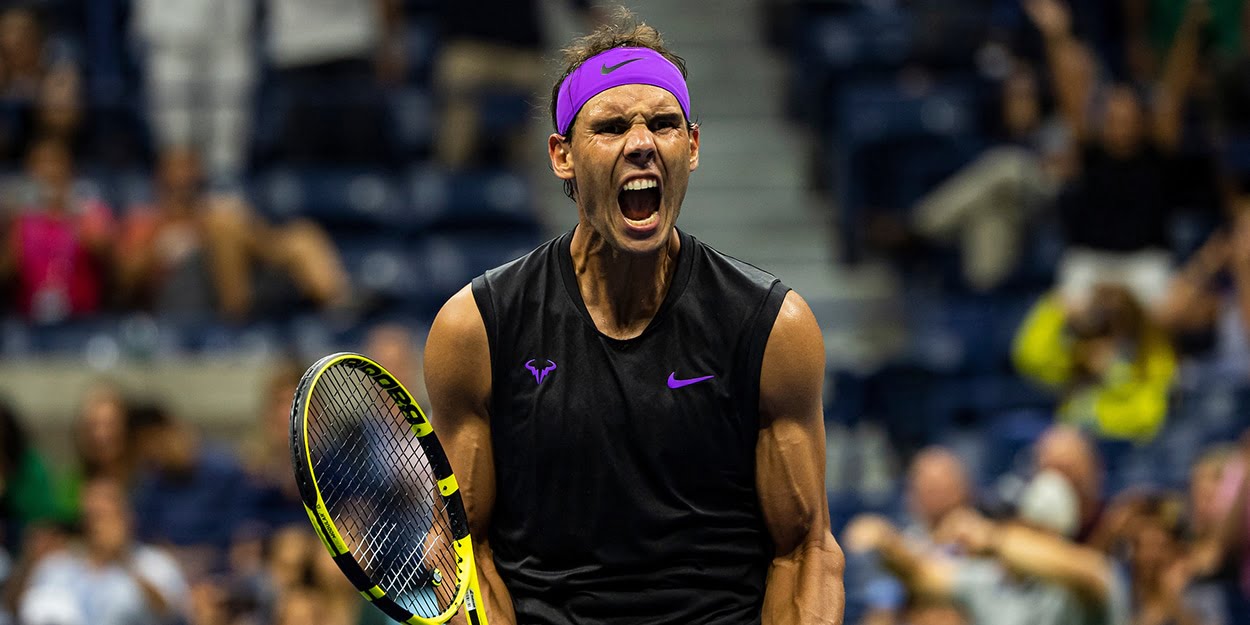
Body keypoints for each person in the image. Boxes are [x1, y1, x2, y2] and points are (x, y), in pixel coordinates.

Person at [422, 11, 843, 625]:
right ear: (562, 156)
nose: (642, 142)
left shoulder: (774, 326)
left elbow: (804, 551)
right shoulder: (476, 330)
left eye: (664, 124)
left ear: (691, 147)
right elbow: (464, 554)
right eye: (612, 126)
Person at [1023, 0, 1204, 314]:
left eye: (1128, 117)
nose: (1121, 124)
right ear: (1102, 120)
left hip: (1147, 261)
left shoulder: (1157, 151)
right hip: (1090, 260)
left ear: (1142, 120)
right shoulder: (1090, 149)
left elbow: (1174, 91)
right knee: (1073, 316)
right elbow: (1070, 92)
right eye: (1113, 117)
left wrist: (1190, 29)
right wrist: (1057, 36)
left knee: (1174, 311)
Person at [846, 469, 1131, 625]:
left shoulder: (1075, 583)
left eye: (1017, 524)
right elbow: (922, 576)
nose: (1008, 530)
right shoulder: (990, 581)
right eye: (1002, 521)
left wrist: (994, 539)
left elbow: (1093, 573)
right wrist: (886, 541)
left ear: (1047, 532)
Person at [116, 147, 350, 321]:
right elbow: (124, 280)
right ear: (160, 181)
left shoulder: (209, 215)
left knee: (303, 235)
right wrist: (158, 247)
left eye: (190, 180)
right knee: (225, 223)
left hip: (230, 288)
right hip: (178, 303)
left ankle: (341, 308)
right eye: (176, 182)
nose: (183, 186)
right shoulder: (147, 222)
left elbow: (263, 242)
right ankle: (237, 319)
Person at [17, 477, 189, 625]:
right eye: (92, 516)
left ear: (128, 518)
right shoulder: (57, 566)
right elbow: (25, 610)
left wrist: (124, 560)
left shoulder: (155, 564)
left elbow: (171, 614)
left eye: (106, 516)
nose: (98, 526)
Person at [0, 138, 112, 323]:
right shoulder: (20, 218)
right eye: (41, 164)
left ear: (70, 169)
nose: (50, 172)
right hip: (29, 322)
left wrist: (73, 215)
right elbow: (7, 269)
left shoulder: (89, 210)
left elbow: (104, 251)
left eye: (56, 163)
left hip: (83, 321)